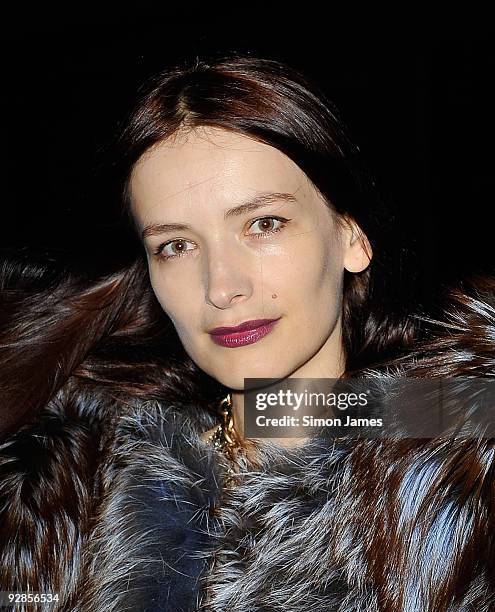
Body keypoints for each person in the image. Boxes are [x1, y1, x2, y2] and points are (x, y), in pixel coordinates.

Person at [0, 52, 494, 611]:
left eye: (263, 224)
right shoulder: (62, 498)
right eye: (176, 245)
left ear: (352, 237)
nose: (221, 286)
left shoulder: (464, 469)